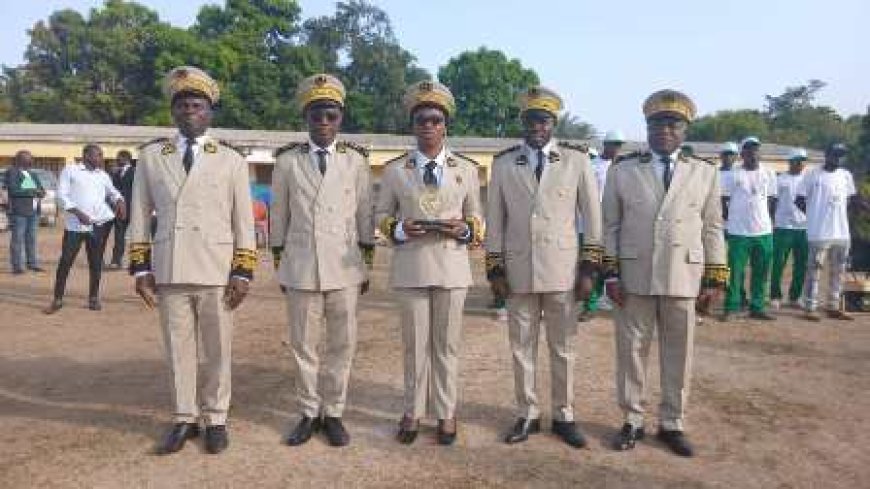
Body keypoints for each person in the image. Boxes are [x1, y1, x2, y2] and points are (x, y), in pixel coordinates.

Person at [127, 66, 256, 455]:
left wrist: (243, 270)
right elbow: (138, 213)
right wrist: (141, 267)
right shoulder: (151, 156)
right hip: (170, 267)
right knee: (177, 349)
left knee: (218, 350)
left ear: (210, 111)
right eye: (182, 105)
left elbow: (243, 220)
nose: (189, 112)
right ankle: (184, 418)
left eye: (197, 105)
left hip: (217, 270)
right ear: (172, 111)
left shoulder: (231, 159)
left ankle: (215, 418)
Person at [602, 89, 727, 457]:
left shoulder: (704, 172)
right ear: (647, 127)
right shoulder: (624, 169)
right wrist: (610, 274)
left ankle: (673, 422)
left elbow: (713, 227)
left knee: (679, 353)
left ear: (685, 130)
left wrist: (715, 277)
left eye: (673, 124)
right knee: (631, 352)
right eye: (657, 123)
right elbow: (610, 225)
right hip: (634, 274)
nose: (665, 130)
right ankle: (633, 420)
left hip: (683, 276)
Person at [485, 86, 602, 448]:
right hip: (519, 272)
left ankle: (564, 415)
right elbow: (496, 221)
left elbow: (592, 219)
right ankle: (528, 413)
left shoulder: (576, 161)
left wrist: (589, 270)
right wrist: (496, 269)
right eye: (531, 119)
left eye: (544, 119)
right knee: (521, 347)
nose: (537, 125)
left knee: (563, 348)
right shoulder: (504, 164)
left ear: (554, 123)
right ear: (523, 122)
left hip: (563, 272)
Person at [376, 80, 482, 446]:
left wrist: (464, 229)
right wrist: (401, 229)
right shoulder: (394, 171)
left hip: (452, 268)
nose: (428, 126)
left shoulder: (466, 169)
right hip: (411, 266)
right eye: (421, 119)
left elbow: (478, 221)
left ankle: (446, 412)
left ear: (445, 125)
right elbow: (381, 215)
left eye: (435, 119)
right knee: (414, 345)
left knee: (446, 346)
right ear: (412, 124)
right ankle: (413, 411)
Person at [271, 74, 375, 448]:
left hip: (345, 266)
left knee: (342, 344)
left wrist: (366, 264)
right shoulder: (287, 162)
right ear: (306, 118)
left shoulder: (356, 162)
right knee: (303, 344)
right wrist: (280, 263)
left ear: (340, 118)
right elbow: (278, 216)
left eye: (330, 115)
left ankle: (334, 412)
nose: (324, 122)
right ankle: (308, 411)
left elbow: (365, 215)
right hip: (300, 265)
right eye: (316, 115)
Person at [44, 145, 125, 313]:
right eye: (98, 155)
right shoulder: (71, 170)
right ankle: (57, 299)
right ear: (86, 155)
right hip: (75, 226)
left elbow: (113, 192)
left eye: (101, 155)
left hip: (97, 225)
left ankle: (93, 298)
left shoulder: (102, 175)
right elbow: (61, 195)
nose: (101, 158)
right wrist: (78, 213)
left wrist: (120, 201)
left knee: (96, 263)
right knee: (66, 261)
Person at [796, 143, 857, 321]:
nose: (838, 159)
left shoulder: (846, 175)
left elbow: (852, 201)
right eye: (835, 155)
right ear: (827, 154)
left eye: (841, 155)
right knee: (814, 271)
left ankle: (833, 305)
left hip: (842, 233)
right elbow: (799, 200)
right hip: (819, 232)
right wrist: (814, 215)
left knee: (839, 271)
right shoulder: (812, 174)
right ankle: (810, 307)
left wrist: (849, 221)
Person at [720, 137, 777, 321]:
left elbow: (772, 200)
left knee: (761, 271)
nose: (753, 153)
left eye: (756, 149)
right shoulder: (732, 175)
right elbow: (723, 200)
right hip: (738, 232)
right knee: (735, 272)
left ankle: (757, 307)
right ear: (742, 154)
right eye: (749, 150)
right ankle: (731, 307)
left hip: (763, 231)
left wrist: (768, 221)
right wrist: (730, 220)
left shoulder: (769, 173)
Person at [578, 129, 625, 321]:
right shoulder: (591, 165)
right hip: (592, 225)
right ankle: (590, 306)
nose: (616, 148)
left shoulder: (623, 168)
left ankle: (608, 299)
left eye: (619, 145)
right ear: (605, 145)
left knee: (613, 266)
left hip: (615, 225)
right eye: (613, 144)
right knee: (591, 265)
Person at [769, 148, 809, 309]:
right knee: (779, 263)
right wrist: (772, 220)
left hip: (804, 227)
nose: (800, 163)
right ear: (790, 161)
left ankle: (795, 296)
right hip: (783, 227)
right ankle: (775, 296)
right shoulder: (780, 179)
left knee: (802, 264)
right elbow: (772, 202)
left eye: (803, 160)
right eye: (797, 160)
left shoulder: (808, 180)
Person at [5, 150, 46, 274]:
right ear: (19, 159)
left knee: (31, 238)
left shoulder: (32, 174)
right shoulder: (12, 172)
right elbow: (13, 190)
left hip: (33, 211)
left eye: (31, 159)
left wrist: (42, 192)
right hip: (19, 211)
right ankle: (17, 266)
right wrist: (32, 192)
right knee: (17, 239)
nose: (31, 161)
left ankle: (32, 263)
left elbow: (41, 189)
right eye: (29, 159)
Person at [106, 150, 136, 269]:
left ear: (125, 158)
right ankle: (116, 261)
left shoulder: (135, 172)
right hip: (119, 209)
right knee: (119, 236)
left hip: (134, 209)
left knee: (138, 236)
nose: (117, 160)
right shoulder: (116, 173)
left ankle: (138, 263)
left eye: (118, 158)